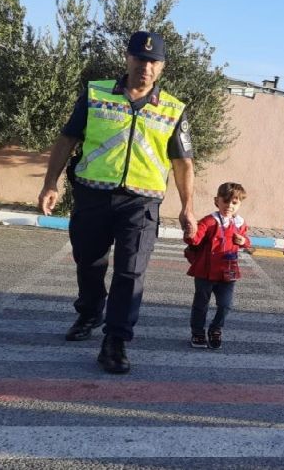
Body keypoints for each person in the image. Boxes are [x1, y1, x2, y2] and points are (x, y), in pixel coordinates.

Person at [37, 31, 196, 374]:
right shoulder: (95, 94)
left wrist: (187, 207)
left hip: (141, 203)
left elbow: (183, 162)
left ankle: (116, 340)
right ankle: (91, 310)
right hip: (93, 195)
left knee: (130, 271)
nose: (146, 67)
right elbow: (67, 139)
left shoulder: (173, 109)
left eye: (153, 62)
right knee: (89, 262)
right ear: (127, 59)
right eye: (140, 58)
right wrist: (51, 183)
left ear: (163, 67)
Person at [184, 182, 250, 349]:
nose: (229, 206)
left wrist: (244, 241)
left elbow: (245, 240)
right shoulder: (210, 221)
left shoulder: (240, 223)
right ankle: (198, 332)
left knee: (226, 305)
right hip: (205, 272)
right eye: (225, 201)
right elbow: (196, 238)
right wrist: (190, 231)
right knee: (201, 304)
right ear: (217, 201)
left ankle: (216, 328)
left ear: (239, 204)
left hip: (228, 272)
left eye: (234, 203)